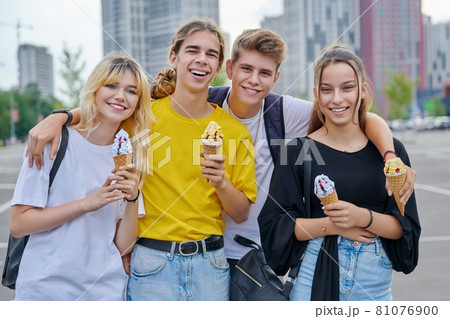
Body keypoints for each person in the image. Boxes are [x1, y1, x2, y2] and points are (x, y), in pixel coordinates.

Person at [26, 28, 416, 275]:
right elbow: (117, 104)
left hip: (258, 257)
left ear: (277, 78)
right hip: (186, 253)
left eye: (265, 73)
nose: (254, 80)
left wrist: (389, 156)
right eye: (246, 69)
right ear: (229, 68)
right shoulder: (198, 103)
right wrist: (61, 116)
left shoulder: (287, 112)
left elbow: (358, 114)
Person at [258, 44, 421, 301]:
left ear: (362, 90)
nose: (336, 99)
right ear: (316, 94)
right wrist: (332, 226)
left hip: (374, 285)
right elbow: (276, 227)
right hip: (315, 274)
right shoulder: (297, 151)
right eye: (326, 90)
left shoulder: (390, 151)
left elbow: (404, 227)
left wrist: (361, 217)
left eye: (347, 87)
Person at [9, 53, 153, 300]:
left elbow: (122, 247)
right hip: (44, 290)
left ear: (138, 102)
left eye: (131, 91)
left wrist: (132, 199)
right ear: (94, 90)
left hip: (104, 292)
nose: (120, 96)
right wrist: (88, 203)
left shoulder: (132, 156)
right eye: (111, 86)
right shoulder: (51, 142)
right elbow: (19, 223)